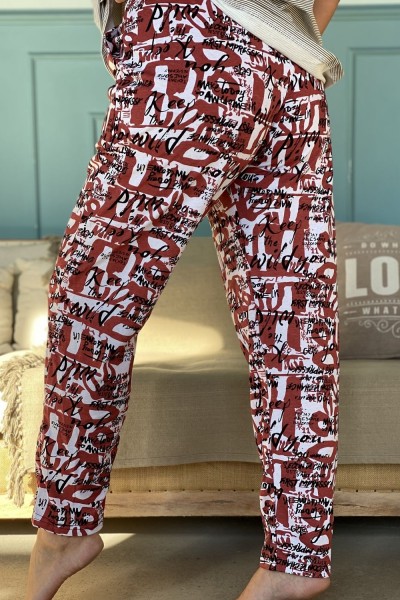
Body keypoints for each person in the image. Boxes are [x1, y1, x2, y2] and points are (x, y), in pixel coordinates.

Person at [25, 0, 342, 598]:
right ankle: (295, 560)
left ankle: (65, 525)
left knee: (89, 300)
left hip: (189, 45)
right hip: (294, 74)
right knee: (291, 326)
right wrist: (278, 40)